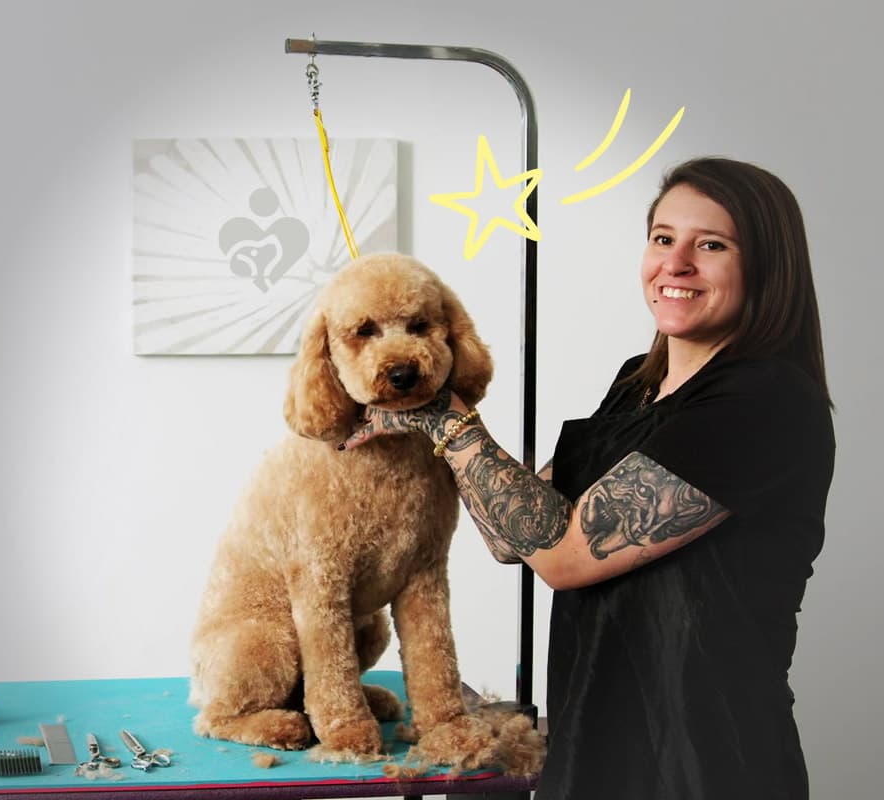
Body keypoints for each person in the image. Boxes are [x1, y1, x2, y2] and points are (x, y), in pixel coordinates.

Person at [342, 156, 835, 799]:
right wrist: (430, 421)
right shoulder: (639, 383)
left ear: (767, 266)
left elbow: (566, 555)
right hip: (597, 751)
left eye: (710, 245)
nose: (676, 264)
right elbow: (515, 536)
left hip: (704, 766)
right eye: (663, 239)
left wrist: (449, 421)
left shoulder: (762, 402)